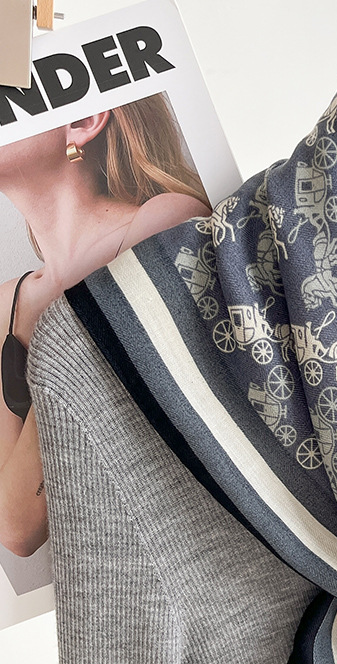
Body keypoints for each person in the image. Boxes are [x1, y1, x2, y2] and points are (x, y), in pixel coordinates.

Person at [0, 93, 212, 558]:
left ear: (83, 120)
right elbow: (14, 526)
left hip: (202, 559)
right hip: (111, 576)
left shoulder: (167, 218)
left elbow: (24, 513)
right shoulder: (6, 302)